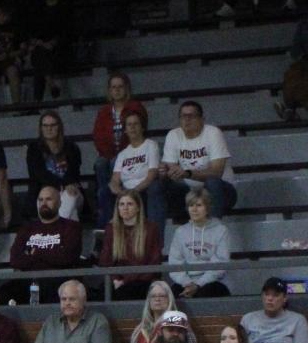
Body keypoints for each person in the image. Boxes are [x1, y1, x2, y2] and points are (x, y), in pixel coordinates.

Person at [2, 186, 85, 305]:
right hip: (28, 281)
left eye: (48, 199)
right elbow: (15, 260)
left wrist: (35, 253)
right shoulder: (26, 228)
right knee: (3, 292)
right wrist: (54, 253)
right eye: (40, 200)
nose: (44, 203)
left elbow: (67, 257)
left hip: (58, 281)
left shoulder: (71, 227)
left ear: (59, 202)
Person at [159, 100, 237, 221]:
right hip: (190, 192)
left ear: (202, 119)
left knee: (212, 182)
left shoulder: (213, 133)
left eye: (191, 116)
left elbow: (217, 172)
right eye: (183, 116)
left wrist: (188, 173)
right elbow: (172, 170)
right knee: (158, 186)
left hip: (222, 191)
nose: (187, 119)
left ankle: (213, 229)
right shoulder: (173, 135)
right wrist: (165, 172)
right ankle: (160, 234)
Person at [90, 74, 148, 229]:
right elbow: (98, 136)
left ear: (127, 89)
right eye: (113, 87)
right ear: (109, 91)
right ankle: (108, 206)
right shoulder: (104, 111)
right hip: (108, 155)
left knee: (117, 161)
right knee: (101, 163)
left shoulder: (136, 108)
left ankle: (121, 200)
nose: (116, 90)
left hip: (130, 154)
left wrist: (121, 155)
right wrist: (109, 155)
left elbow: (138, 133)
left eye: (120, 87)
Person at [165, 189, 235, 299]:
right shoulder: (180, 232)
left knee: (207, 293)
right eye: (191, 205)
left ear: (207, 208)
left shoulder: (221, 230)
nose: (194, 209)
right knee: (170, 296)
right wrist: (187, 283)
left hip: (212, 281)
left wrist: (198, 284)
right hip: (185, 282)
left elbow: (220, 264)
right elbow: (175, 264)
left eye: (199, 205)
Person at [108, 108, 167, 230]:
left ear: (142, 127)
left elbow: (152, 175)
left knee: (155, 188)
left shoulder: (151, 145)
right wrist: (120, 192)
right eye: (129, 125)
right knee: (104, 192)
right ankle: (108, 233)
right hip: (126, 191)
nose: (132, 127)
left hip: (144, 189)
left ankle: (154, 236)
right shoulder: (123, 154)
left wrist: (133, 192)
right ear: (125, 130)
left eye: (136, 124)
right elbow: (115, 180)